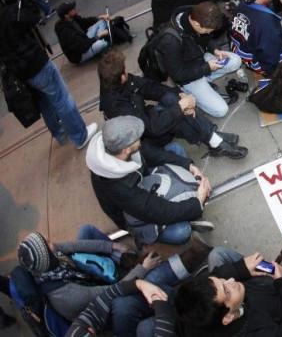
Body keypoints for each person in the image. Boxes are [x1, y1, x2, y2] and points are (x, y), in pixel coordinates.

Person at [17, 229, 211, 336]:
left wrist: (112, 245)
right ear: (47, 257)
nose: (53, 241)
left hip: (95, 286)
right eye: (48, 243)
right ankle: (188, 263)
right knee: (143, 285)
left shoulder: (49, 259)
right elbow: (113, 292)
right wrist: (143, 270)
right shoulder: (68, 296)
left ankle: (128, 259)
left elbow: (81, 245)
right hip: (105, 312)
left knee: (86, 231)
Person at [86, 115, 214, 247]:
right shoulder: (118, 188)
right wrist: (197, 202)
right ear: (126, 150)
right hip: (136, 215)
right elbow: (158, 211)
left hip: (142, 183)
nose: (140, 139)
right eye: (137, 139)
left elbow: (152, 154)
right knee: (182, 232)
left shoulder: (115, 147)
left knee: (174, 149)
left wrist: (190, 166)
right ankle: (147, 235)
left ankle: (185, 208)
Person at [98, 50, 248, 162]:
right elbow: (150, 128)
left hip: (146, 118)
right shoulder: (116, 107)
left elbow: (150, 87)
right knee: (175, 116)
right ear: (120, 77)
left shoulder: (120, 82)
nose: (127, 71)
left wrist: (178, 95)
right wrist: (180, 107)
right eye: (124, 70)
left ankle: (211, 137)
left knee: (172, 100)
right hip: (144, 140)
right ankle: (213, 139)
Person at [0, 0, 97, 148]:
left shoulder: (8, 13)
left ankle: (60, 134)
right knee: (61, 98)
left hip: (21, 72)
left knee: (45, 102)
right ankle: (80, 136)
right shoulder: (8, 13)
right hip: (36, 64)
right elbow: (33, 15)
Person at [172, 246, 282, 335]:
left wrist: (241, 267)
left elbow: (216, 276)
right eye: (228, 290)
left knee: (218, 254)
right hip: (279, 312)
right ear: (228, 317)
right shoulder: (256, 331)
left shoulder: (192, 307)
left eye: (223, 281)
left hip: (258, 293)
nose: (231, 281)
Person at [158, 2, 242, 118]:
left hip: (200, 60)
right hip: (187, 77)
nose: (209, 32)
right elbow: (178, 75)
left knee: (235, 61)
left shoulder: (197, 15)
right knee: (221, 110)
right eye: (208, 30)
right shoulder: (170, 41)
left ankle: (204, 83)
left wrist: (215, 50)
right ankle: (190, 92)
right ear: (196, 24)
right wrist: (207, 68)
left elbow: (206, 40)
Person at [231, 0, 282, 76]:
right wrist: (275, 70)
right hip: (260, 64)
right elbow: (270, 55)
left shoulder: (242, 5)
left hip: (242, 51)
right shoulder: (266, 21)